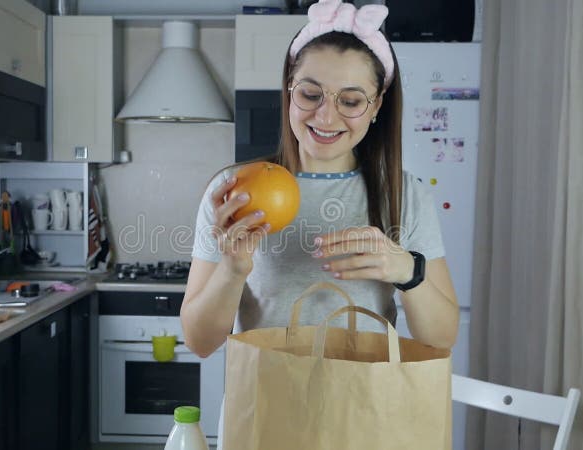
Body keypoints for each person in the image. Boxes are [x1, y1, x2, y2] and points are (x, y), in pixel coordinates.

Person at [182, 0, 459, 444]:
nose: (326, 117)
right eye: (311, 94)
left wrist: (408, 271)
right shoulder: (234, 190)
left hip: (366, 420)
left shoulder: (405, 196)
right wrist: (233, 271)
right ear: (289, 89)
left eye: (350, 100)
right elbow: (200, 341)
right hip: (267, 417)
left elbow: (441, 339)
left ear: (376, 106)